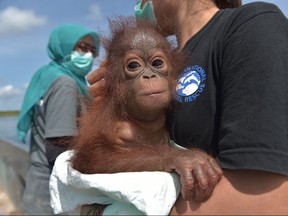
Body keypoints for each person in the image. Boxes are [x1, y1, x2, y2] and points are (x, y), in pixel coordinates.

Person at [86, 0, 288, 214]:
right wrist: (109, 109)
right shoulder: (169, 60)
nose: (139, 4)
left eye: (156, 63)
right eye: (134, 65)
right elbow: (94, 155)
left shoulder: (250, 25)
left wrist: (112, 211)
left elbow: (270, 200)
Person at [16, 24, 100, 215]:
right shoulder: (65, 83)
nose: (88, 55)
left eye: (92, 50)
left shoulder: (48, 76)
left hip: (38, 188)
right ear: (64, 46)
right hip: (52, 198)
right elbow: (58, 147)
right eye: (82, 47)